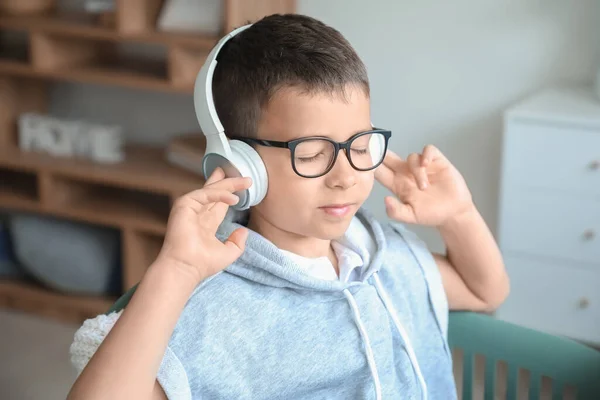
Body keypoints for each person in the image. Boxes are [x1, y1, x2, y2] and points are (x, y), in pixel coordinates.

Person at [67, 13, 509, 400]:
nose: (347, 175)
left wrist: (458, 215)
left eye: (359, 144)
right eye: (313, 153)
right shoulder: (216, 309)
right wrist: (175, 273)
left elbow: (485, 290)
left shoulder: (381, 252)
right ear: (241, 164)